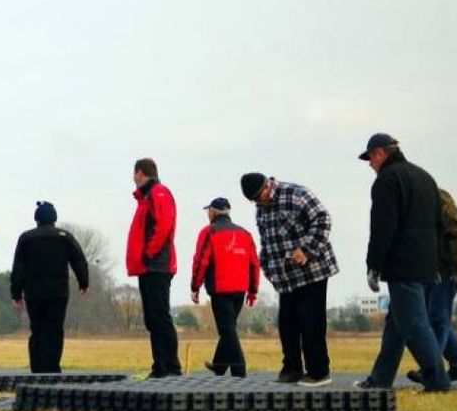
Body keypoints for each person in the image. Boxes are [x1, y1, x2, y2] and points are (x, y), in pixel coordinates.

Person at [353, 134, 449, 393]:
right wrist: (438, 263)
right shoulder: (425, 177)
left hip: (403, 264)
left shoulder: (387, 180)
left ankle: (438, 383)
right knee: (396, 324)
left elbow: (383, 227)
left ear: (381, 153)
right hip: (427, 263)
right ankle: (380, 379)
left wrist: (373, 265)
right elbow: (440, 225)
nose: (370, 164)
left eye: (370, 157)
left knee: (414, 324)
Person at [240, 171, 338, 386]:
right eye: (254, 200)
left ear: (268, 186)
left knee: (311, 322)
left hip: (313, 271)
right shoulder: (260, 209)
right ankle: (292, 369)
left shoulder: (295, 194)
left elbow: (323, 219)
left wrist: (306, 249)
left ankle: (319, 372)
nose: (259, 202)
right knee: (287, 324)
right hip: (286, 277)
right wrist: (267, 267)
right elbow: (267, 241)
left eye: (260, 196)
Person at [10, 201, 89, 373]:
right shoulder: (64, 237)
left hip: (34, 294)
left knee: (37, 331)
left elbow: (18, 268)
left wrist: (16, 293)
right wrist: (84, 282)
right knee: (55, 331)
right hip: (58, 293)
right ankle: (52, 368)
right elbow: (79, 261)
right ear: (54, 218)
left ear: (36, 218)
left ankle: (37, 368)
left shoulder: (26, 238)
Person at [406, 187, 457, 383]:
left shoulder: (435, 197)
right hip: (433, 270)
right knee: (435, 317)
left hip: (449, 269)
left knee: (437, 317)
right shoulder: (415, 204)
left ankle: (431, 369)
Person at [189, 197, 261, 377]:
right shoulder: (245, 233)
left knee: (227, 331)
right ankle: (219, 366)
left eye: (208, 211)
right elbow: (254, 263)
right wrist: (252, 291)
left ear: (213, 212)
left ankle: (239, 371)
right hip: (240, 290)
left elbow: (201, 261)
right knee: (228, 328)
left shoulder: (209, 232)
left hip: (220, 289)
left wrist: (195, 287)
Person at [126, 158, 181, 378]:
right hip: (148, 267)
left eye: (134, 174)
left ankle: (171, 366)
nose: (133, 179)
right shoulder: (147, 197)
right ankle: (160, 365)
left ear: (139, 173)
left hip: (157, 265)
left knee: (160, 316)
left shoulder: (158, 193)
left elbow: (164, 225)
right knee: (152, 318)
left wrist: (149, 253)